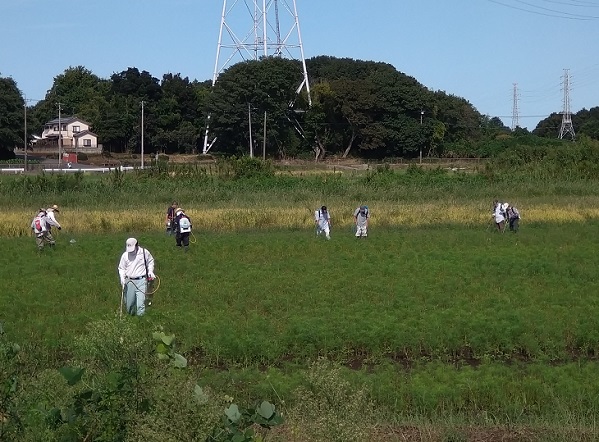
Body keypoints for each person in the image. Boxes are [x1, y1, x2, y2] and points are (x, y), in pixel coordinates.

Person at [117, 238, 156, 316]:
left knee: (140, 305)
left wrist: (150, 271)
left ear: (137, 245)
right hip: (129, 281)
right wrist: (122, 278)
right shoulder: (125, 255)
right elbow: (121, 268)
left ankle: (141, 322)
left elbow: (150, 261)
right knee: (129, 305)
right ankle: (131, 317)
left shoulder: (144, 252)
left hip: (141, 281)